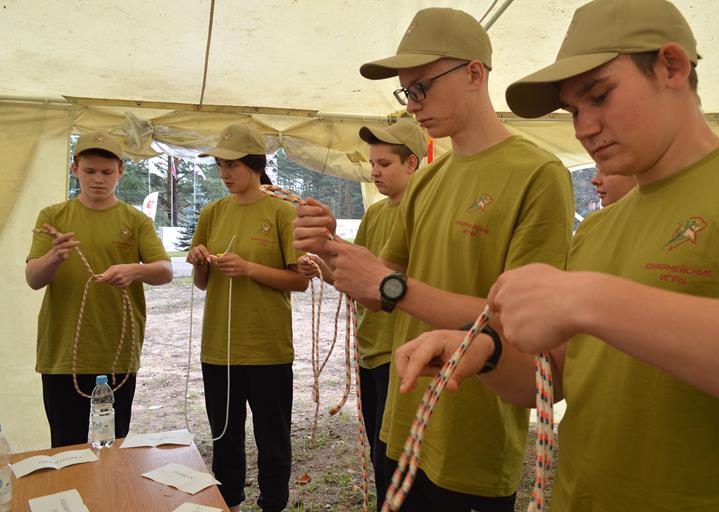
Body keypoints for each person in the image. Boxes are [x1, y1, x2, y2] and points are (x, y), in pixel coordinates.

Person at [395, 1, 719, 510]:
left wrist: (593, 299)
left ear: (672, 67)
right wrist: (487, 353)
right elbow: (557, 376)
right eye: (574, 111)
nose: (584, 126)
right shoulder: (600, 228)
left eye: (600, 96)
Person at [293, 8, 574, 511]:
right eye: (407, 91)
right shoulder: (427, 181)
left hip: (473, 435)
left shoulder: (538, 174)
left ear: (474, 73)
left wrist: (390, 288)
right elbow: (381, 290)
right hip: (405, 421)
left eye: (421, 86)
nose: (413, 104)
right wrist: (331, 250)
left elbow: (525, 327)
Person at [297, 118, 426, 510]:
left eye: (384, 164)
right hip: (371, 349)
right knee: (379, 453)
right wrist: (321, 255)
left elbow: (385, 286)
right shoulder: (376, 214)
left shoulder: (425, 212)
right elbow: (357, 281)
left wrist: (329, 248)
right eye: (372, 163)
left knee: (398, 458)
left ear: (412, 164)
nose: (374, 172)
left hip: (401, 350)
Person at [187, 123, 308, 512]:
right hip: (219, 349)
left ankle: (274, 504)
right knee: (224, 437)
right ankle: (230, 504)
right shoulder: (213, 211)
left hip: (268, 348)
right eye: (220, 165)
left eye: (233, 165)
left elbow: (299, 281)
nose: (225, 174)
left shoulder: (281, 212)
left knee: (273, 438)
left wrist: (250, 269)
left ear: (255, 165)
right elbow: (202, 284)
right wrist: (199, 261)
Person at [25, 132, 173, 448]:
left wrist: (135, 270)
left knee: (115, 446)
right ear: (74, 168)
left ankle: (111, 498)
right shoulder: (54, 216)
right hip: (64, 353)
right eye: (90, 171)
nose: (98, 180)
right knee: (67, 448)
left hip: (116, 352)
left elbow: (165, 271)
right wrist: (56, 256)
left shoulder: (135, 221)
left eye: (107, 172)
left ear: (120, 171)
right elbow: (34, 278)